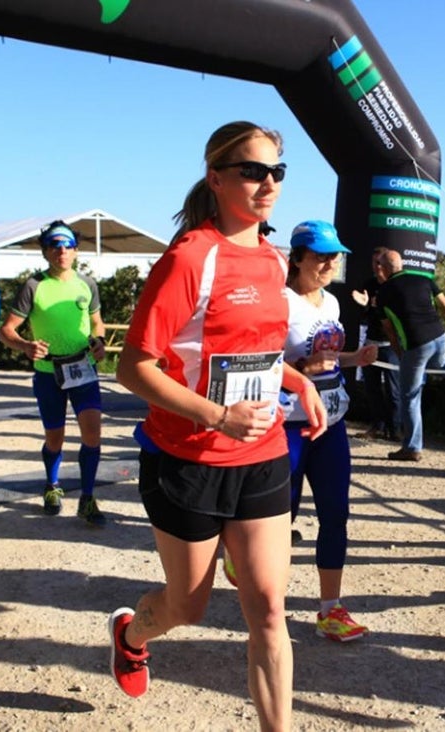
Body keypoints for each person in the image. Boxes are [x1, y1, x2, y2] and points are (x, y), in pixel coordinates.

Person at [107, 121, 325, 728]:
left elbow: (252, 349)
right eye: (253, 171)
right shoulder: (190, 257)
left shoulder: (273, 258)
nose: (268, 184)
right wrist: (216, 416)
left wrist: (297, 381)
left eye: (277, 172)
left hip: (260, 456)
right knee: (188, 605)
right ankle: (130, 635)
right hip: (187, 459)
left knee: (269, 611)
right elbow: (134, 367)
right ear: (216, 177)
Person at [281, 220, 378, 642]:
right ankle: (264, 598)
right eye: (321, 255)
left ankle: (330, 609)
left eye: (335, 255)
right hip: (287, 425)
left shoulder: (333, 304)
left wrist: (357, 358)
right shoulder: (279, 303)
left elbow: (330, 360)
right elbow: (260, 360)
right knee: (278, 520)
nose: (330, 262)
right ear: (298, 256)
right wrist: (302, 370)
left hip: (331, 424)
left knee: (335, 514)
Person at [0, 221, 108, 528]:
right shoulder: (34, 285)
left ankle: (87, 498)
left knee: (93, 433)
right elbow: (6, 330)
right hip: (49, 373)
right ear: (45, 251)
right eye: (55, 245)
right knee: (55, 439)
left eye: (68, 245)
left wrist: (99, 342)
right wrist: (25, 345)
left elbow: (98, 323)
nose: (62, 250)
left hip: (83, 368)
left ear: (76, 250)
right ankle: (52, 485)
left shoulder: (87, 284)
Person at [376, 250, 445, 461]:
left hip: (416, 343)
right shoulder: (424, 278)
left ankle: (412, 447)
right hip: (439, 335)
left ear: (383, 269)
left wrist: (400, 354)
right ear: (401, 264)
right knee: (439, 364)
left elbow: (390, 330)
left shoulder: (383, 292)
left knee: (409, 397)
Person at [351, 247, 399, 442]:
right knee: (372, 389)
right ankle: (377, 427)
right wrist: (365, 305)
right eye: (374, 263)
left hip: (391, 345)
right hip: (372, 341)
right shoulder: (369, 285)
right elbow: (365, 315)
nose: (377, 267)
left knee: (394, 389)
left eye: (380, 262)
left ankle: (395, 430)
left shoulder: (396, 285)